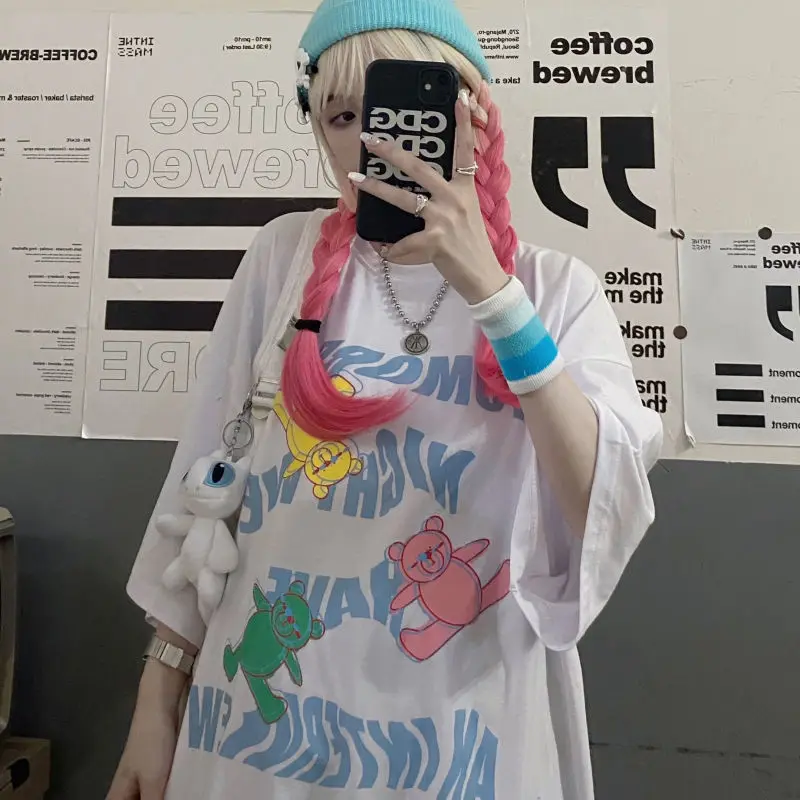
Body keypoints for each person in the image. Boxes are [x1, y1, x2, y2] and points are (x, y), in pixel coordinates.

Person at [108, 0, 663, 797]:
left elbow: (600, 510)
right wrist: (156, 703)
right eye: (342, 116)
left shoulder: (556, 291)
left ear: (473, 117)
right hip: (254, 740)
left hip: (457, 748)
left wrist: (493, 294)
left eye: (406, 109)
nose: (375, 141)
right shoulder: (283, 259)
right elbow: (203, 487)